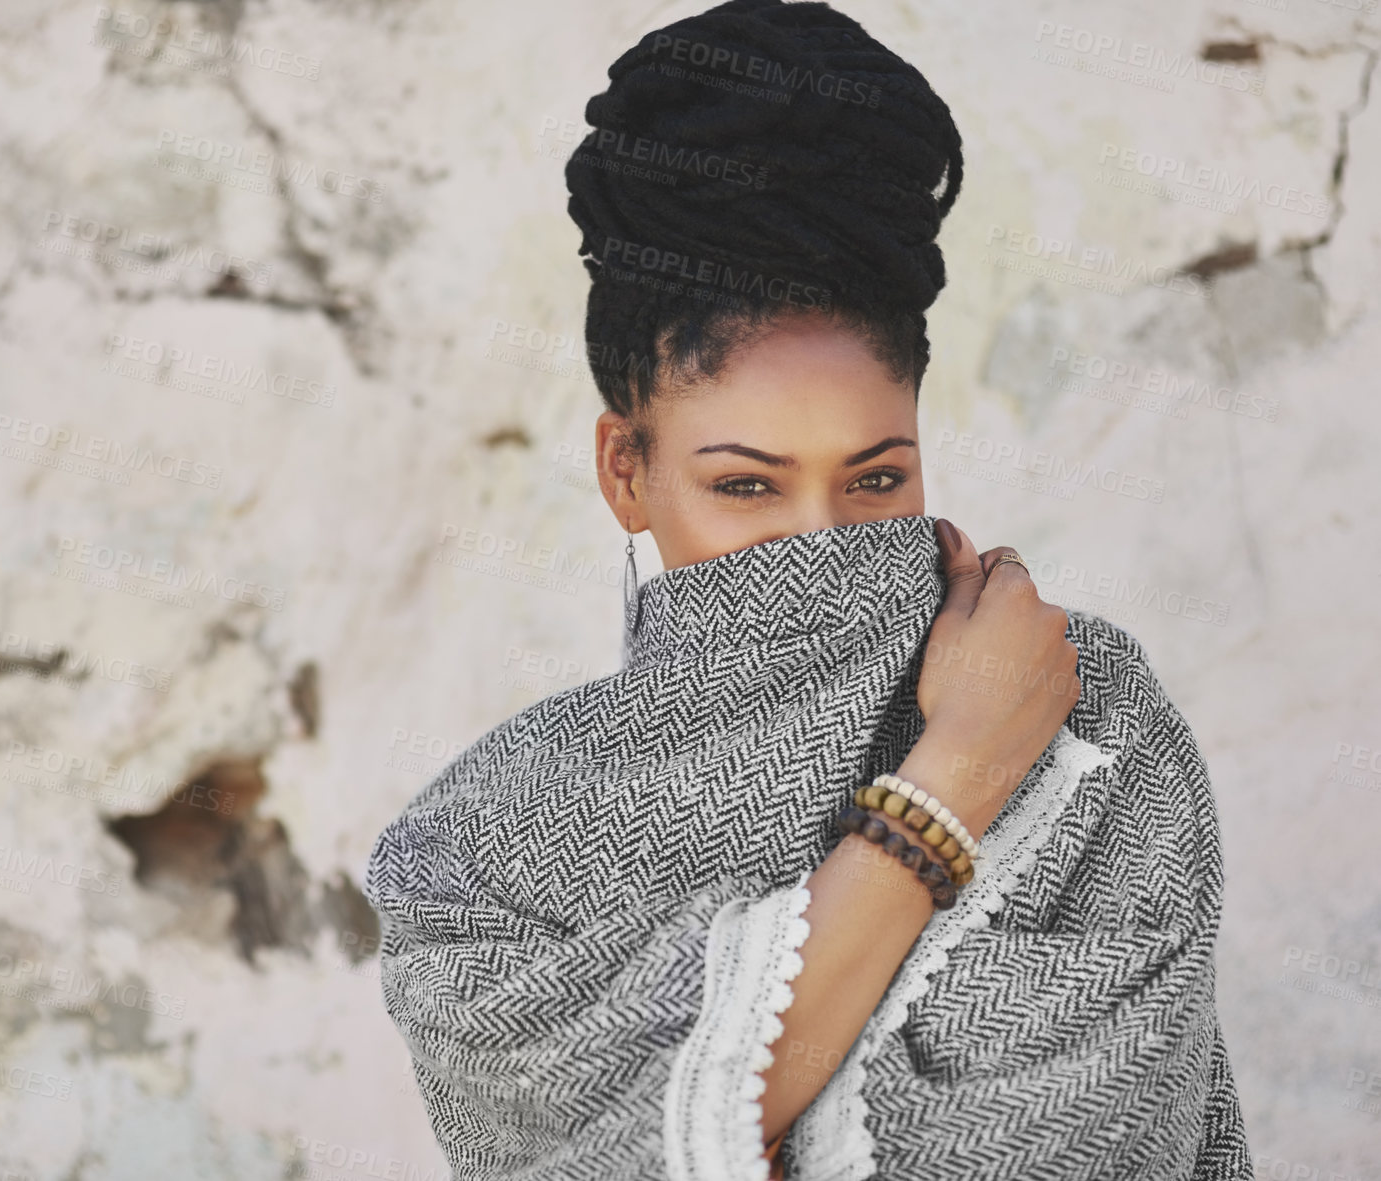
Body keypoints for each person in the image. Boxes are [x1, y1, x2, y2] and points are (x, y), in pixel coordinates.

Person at [367, 2, 1250, 1177]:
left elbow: (1088, 1138)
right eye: (744, 487)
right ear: (624, 472)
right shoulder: (477, 851)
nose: (817, 540)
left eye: (874, 478)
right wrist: (955, 779)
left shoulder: (1088, 717)